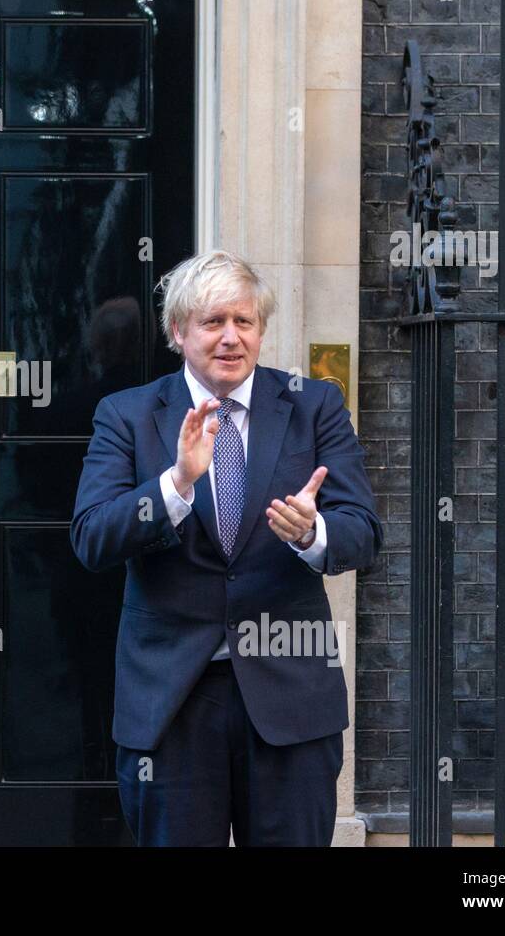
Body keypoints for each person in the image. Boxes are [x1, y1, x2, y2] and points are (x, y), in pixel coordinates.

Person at [70, 250, 382, 847]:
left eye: (245, 322)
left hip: (290, 697)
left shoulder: (313, 406)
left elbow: (363, 531)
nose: (231, 338)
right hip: (173, 701)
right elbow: (91, 536)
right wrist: (175, 485)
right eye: (214, 322)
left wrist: (313, 534)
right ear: (178, 331)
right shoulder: (129, 415)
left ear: (262, 330)